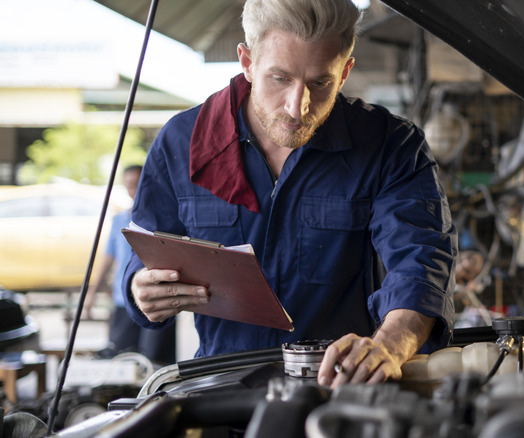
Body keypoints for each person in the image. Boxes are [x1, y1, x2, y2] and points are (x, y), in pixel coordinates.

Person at [122, 0, 457, 387]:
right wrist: (140, 287)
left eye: (320, 82)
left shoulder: (390, 146)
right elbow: (143, 248)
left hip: (341, 390)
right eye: (280, 78)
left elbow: (420, 263)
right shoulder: (183, 142)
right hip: (222, 392)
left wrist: (389, 346)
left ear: (345, 71)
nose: (297, 106)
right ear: (247, 61)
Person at [85, 165, 177, 364]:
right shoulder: (119, 220)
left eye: (137, 185)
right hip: (123, 300)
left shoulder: (166, 218)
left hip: (157, 300)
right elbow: (108, 258)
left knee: (155, 361)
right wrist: (92, 293)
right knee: (121, 359)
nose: (133, 191)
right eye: (129, 186)